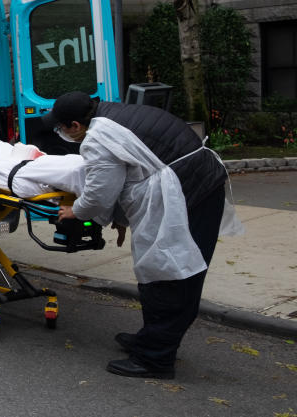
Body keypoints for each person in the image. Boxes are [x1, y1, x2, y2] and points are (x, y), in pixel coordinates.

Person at [45, 91, 235, 379]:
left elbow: (99, 194)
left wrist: (76, 212)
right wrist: (118, 216)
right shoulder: (114, 113)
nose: (61, 133)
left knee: (169, 274)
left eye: (61, 127)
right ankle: (152, 339)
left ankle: (155, 359)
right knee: (169, 272)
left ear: (74, 125)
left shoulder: (97, 138)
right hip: (197, 183)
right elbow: (130, 170)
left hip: (188, 193)